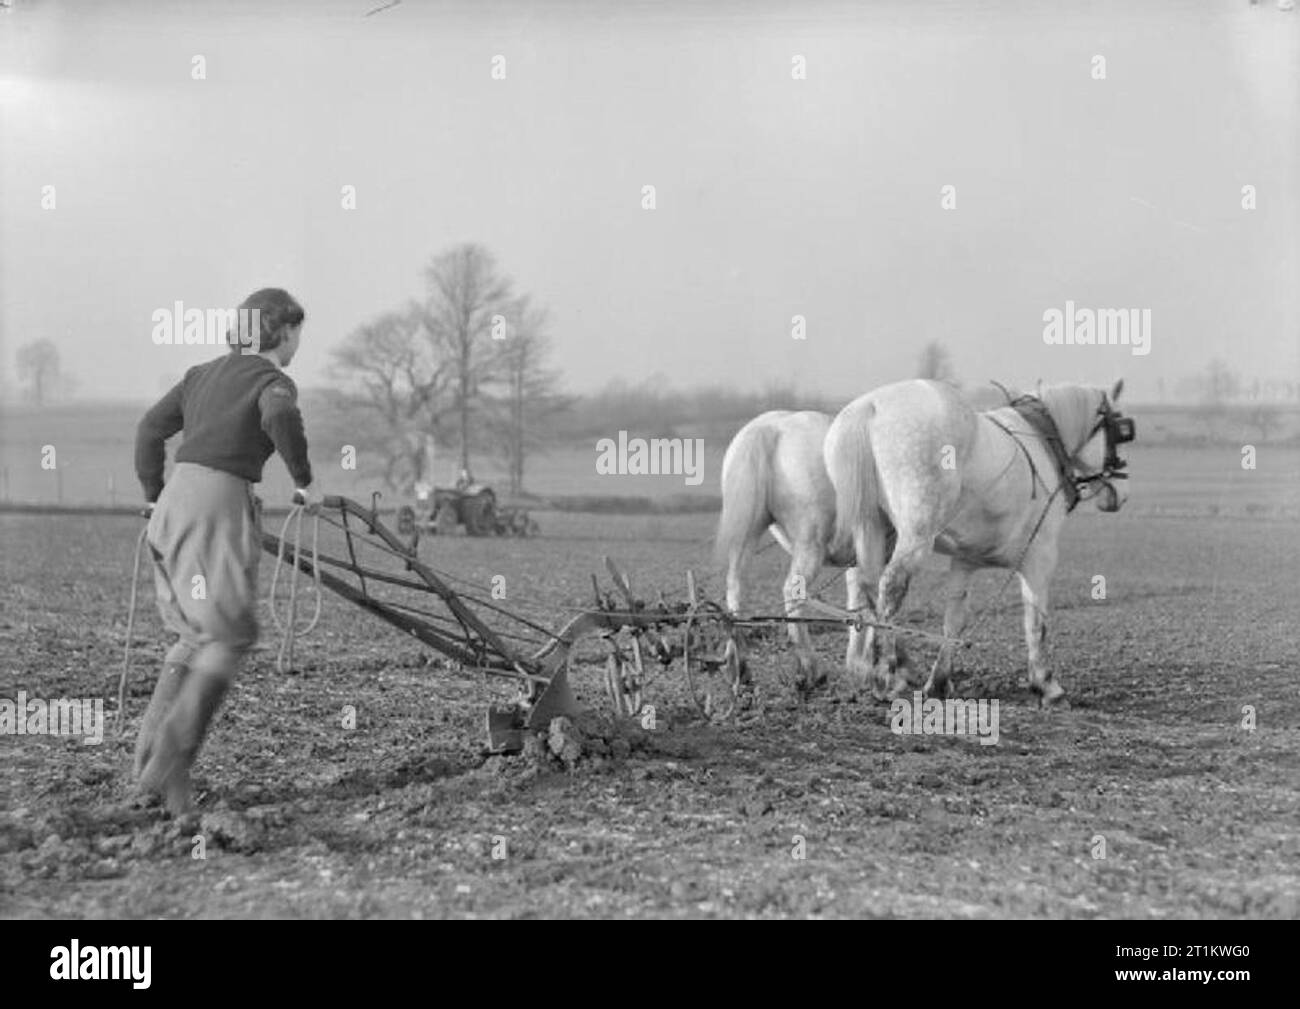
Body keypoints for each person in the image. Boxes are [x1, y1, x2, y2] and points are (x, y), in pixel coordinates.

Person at [132, 287, 315, 815]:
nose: (299, 343)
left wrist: (152, 495)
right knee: (231, 634)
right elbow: (280, 419)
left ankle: (147, 766)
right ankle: (170, 759)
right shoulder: (272, 380)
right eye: (298, 333)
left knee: (196, 634)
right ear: (284, 333)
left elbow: (149, 430)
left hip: (174, 503)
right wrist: (305, 481)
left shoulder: (201, 375)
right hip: (218, 501)